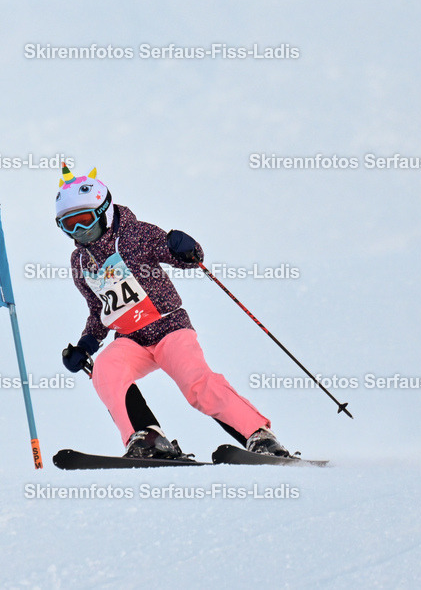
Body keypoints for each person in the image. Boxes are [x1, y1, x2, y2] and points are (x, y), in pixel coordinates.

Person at [55, 164, 290, 459]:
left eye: (85, 220)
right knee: (106, 368)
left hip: (168, 328)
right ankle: (148, 439)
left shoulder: (135, 235)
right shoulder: (80, 262)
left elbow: (184, 257)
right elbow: (99, 309)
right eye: (69, 225)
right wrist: (86, 344)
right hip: (130, 339)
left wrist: (185, 248)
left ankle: (259, 436)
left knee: (196, 384)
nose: (79, 231)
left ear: (104, 211)